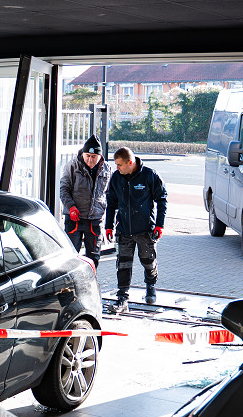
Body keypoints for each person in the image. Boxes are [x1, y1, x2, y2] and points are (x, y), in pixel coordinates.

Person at [104, 147, 167, 313]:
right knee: (123, 264)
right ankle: (122, 296)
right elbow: (111, 203)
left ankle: (150, 286)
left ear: (130, 163)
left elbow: (162, 200)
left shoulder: (149, 176)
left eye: (119, 165)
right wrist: (108, 226)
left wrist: (159, 225)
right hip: (124, 229)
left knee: (148, 261)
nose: (117, 168)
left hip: (145, 229)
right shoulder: (117, 178)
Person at [58, 134, 111, 266]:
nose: (90, 160)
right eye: (87, 156)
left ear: (100, 157)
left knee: (94, 256)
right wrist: (71, 207)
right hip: (75, 218)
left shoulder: (107, 169)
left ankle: (90, 283)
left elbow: (109, 194)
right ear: (83, 154)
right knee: (71, 255)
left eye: (94, 157)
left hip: (95, 219)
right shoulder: (72, 166)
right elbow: (63, 189)